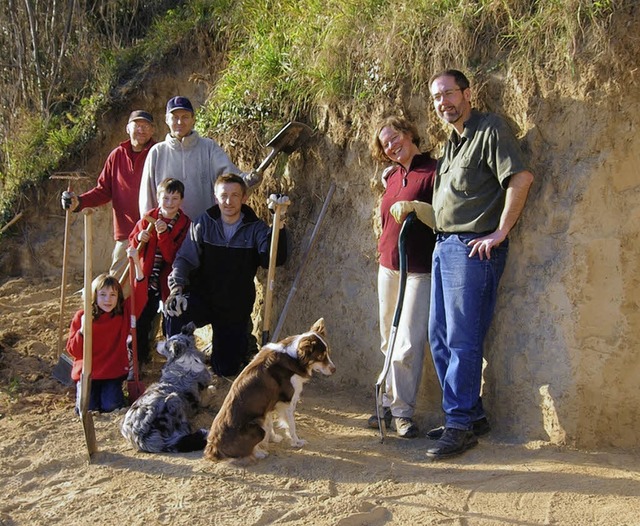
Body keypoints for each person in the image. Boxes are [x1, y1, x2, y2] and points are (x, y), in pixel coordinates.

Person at [392, 69, 534, 459]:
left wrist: (499, 233)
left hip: (472, 250)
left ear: (467, 93)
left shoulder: (490, 129)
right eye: (436, 98)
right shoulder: (452, 144)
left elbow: (519, 179)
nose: (443, 103)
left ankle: (459, 425)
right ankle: (470, 414)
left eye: (449, 94)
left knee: (461, 339)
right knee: (439, 338)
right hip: (443, 247)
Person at [164, 174, 288, 377]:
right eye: (223, 196)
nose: (228, 201)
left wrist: (279, 225)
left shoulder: (255, 228)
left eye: (234, 195)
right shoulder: (203, 223)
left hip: (234, 307)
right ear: (216, 197)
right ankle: (179, 368)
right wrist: (176, 288)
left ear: (244, 198)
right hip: (202, 299)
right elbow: (185, 259)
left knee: (225, 369)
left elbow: (273, 260)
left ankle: (241, 344)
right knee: (175, 312)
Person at [366, 116, 437, 439]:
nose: (391, 146)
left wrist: (418, 208)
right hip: (389, 266)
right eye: (385, 144)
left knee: (407, 342)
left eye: (395, 138)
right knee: (388, 339)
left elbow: (445, 218)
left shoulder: (433, 171)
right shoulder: (392, 176)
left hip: (419, 269)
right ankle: (386, 402)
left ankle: (402, 412)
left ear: (409, 133)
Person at [61, 110, 156, 277]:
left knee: (152, 281)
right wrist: (79, 202)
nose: (142, 130)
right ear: (128, 128)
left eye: (146, 126)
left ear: (152, 130)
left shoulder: (158, 152)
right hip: (127, 233)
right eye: (137, 125)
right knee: (118, 283)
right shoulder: (116, 155)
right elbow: (103, 190)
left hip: (153, 230)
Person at [138, 96, 261, 220]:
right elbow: (147, 197)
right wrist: (149, 225)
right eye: (175, 118)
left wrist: (247, 180)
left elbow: (229, 176)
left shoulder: (208, 147)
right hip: (167, 233)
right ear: (166, 120)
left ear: (193, 119)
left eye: (185, 117)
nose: (180, 122)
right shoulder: (157, 152)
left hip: (205, 230)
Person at [66, 247, 147, 413]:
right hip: (88, 374)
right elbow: (74, 351)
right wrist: (82, 329)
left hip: (112, 373)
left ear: (118, 297)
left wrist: (137, 263)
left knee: (110, 406)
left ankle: (116, 396)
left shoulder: (123, 315)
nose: (108, 300)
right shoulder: (83, 316)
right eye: (102, 295)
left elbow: (140, 294)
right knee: (87, 408)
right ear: (94, 296)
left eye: (113, 295)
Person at [129, 178, 191, 365]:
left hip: (168, 281)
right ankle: (138, 357)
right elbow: (133, 244)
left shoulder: (184, 224)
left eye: (174, 199)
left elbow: (173, 257)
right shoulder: (148, 217)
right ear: (158, 198)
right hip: (146, 278)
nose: (169, 203)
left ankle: (174, 359)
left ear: (181, 200)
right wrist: (140, 237)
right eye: (165, 198)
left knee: (170, 320)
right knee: (142, 318)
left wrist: (163, 235)